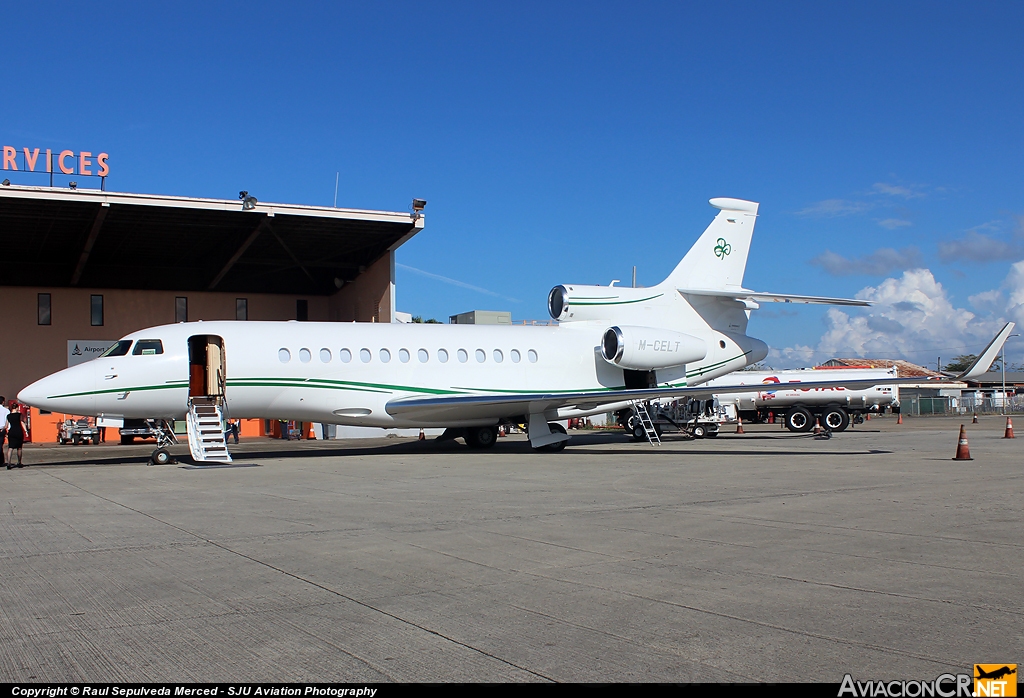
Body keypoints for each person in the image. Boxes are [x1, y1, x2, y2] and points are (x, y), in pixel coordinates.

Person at [6, 402, 26, 469]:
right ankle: (19, 462)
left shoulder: (8, 416)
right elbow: (22, 422)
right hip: (18, 431)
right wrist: (26, 431)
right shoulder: (19, 415)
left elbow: (6, 425)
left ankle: (8, 463)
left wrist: (6, 432)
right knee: (19, 448)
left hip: (11, 431)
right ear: (17, 408)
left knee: (10, 448)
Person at [0, 397, 8, 467]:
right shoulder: (5, 410)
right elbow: (7, 420)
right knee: (0, 445)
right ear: (2, 402)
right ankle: (1, 461)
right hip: (2, 429)